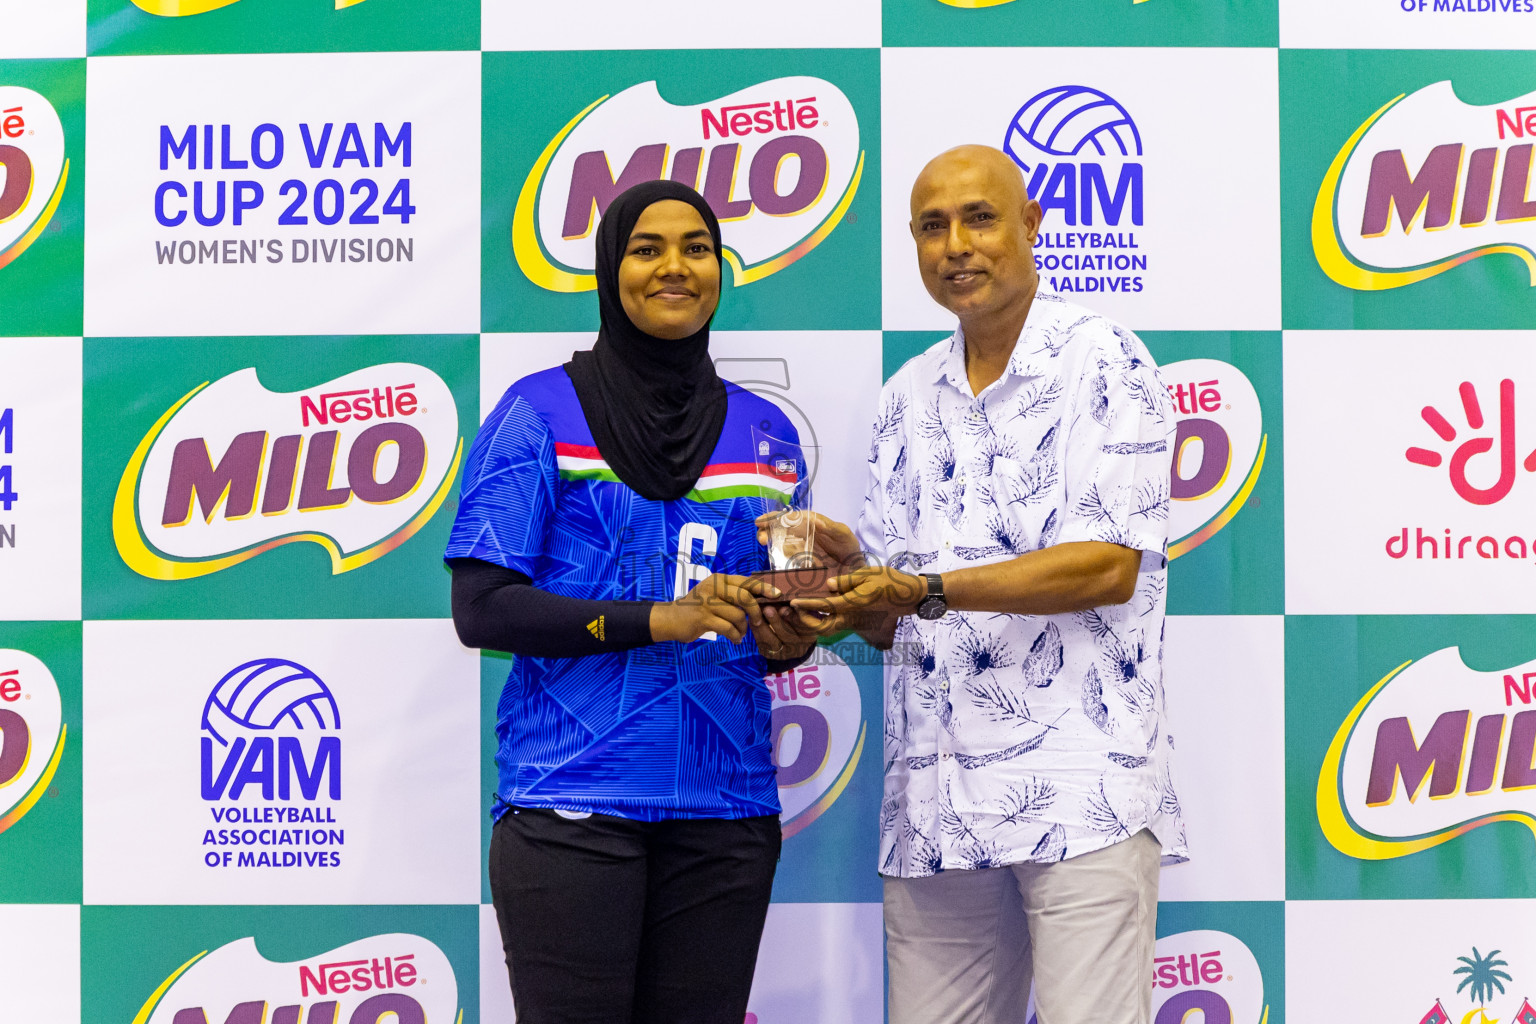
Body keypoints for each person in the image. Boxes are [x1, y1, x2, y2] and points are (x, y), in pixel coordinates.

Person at [787, 145, 1186, 1024]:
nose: (956, 245)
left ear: (1032, 225)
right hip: (934, 801)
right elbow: (901, 609)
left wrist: (920, 588)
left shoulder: (1102, 359)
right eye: (933, 227)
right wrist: (851, 584)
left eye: (979, 218)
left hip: (1081, 789)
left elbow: (1109, 565)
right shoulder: (905, 396)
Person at [445, 180, 816, 1024]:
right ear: (611, 269)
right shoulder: (536, 413)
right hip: (572, 805)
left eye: (696, 247)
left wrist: (801, 620)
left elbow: (781, 634)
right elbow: (484, 610)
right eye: (647, 248)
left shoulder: (771, 435)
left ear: (721, 270)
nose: (674, 267)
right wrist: (662, 618)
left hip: (726, 810)